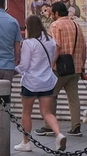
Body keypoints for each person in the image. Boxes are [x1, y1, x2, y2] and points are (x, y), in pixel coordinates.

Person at [17, 16, 65, 152]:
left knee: (27, 112)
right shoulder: (51, 41)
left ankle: (26, 143)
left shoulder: (29, 43)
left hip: (31, 82)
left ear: (29, 27)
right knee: (46, 112)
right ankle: (59, 134)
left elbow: (24, 65)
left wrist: (14, 70)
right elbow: (52, 58)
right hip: (47, 81)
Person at [42, 1, 84, 135]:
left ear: (56, 13)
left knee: (51, 95)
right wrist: (82, 65)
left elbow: (57, 46)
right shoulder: (76, 25)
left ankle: (49, 126)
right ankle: (76, 127)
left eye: (52, 13)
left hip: (60, 68)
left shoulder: (56, 25)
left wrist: (51, 64)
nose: (51, 15)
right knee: (73, 98)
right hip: (75, 68)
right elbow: (84, 46)